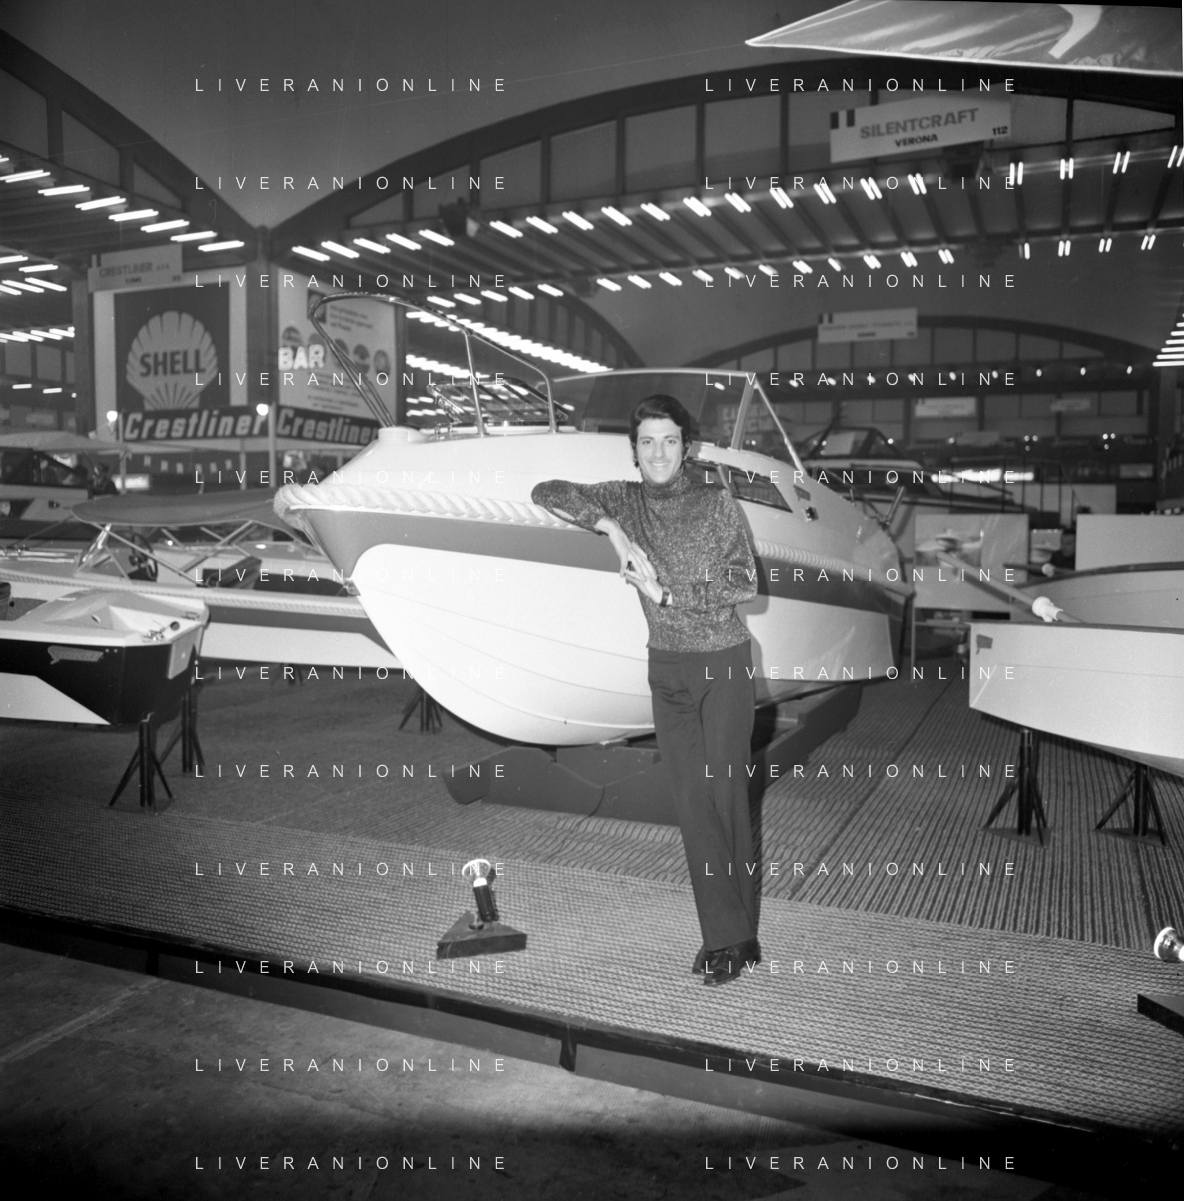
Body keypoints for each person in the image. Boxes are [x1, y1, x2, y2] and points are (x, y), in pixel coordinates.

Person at [532, 395, 761, 987]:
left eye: (670, 440)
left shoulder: (713, 502)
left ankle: (733, 936)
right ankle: (729, 933)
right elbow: (546, 491)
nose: (659, 452)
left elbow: (745, 582)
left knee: (725, 797)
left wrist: (667, 594)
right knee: (690, 802)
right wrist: (610, 527)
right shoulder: (625, 500)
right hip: (667, 668)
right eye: (647, 442)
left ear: (687, 447)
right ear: (633, 451)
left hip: (722, 664)